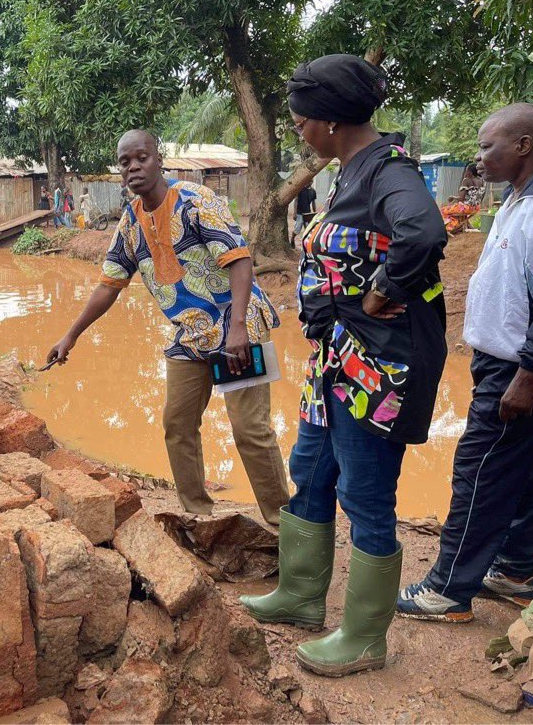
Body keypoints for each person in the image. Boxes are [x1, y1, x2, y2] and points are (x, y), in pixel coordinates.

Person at [240, 54, 447, 678]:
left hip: (377, 370)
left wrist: (380, 293)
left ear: (329, 122)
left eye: (302, 121)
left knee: (366, 493)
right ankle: (302, 597)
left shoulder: (389, 172)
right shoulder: (350, 172)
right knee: (312, 471)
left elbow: (424, 233)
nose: (298, 132)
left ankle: (363, 637)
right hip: (334, 362)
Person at [398, 104, 533, 622]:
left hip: (522, 367)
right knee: (530, 465)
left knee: (480, 471)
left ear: (524, 146)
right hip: (509, 361)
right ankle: (514, 570)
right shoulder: (521, 198)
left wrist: (529, 374)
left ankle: (447, 591)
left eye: (488, 145)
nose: (479, 155)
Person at [47, 130, 290, 527]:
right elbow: (109, 285)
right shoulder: (130, 221)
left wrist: (239, 327)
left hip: (235, 328)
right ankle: (198, 516)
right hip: (190, 335)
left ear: (158, 159)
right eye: (125, 162)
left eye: (140, 158)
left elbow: (239, 259)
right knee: (177, 424)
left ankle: (285, 527)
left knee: (250, 429)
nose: (133, 167)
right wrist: (70, 335)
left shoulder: (198, 202)